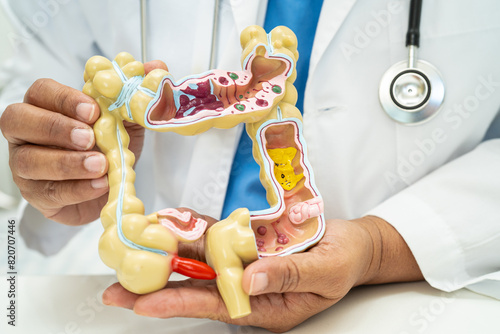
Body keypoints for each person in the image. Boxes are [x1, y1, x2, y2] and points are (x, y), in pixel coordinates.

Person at [1, 0, 499, 332]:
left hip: (398, 306)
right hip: (116, 290)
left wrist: (383, 247)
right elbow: (27, 62)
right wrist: (61, 164)